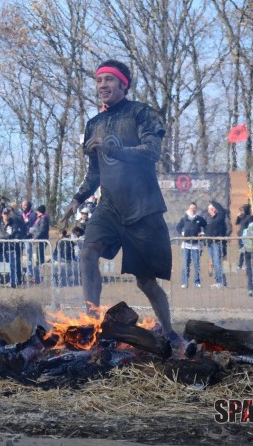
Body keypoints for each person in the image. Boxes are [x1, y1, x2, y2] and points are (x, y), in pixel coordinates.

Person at [65, 59, 176, 340]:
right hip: (110, 206)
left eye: (109, 80)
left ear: (123, 84)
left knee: (146, 281)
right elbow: (95, 173)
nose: (103, 85)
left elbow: (152, 151)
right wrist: (77, 199)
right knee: (88, 252)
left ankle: (171, 333)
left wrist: (114, 148)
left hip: (143, 206)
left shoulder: (141, 113)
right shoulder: (94, 125)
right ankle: (91, 320)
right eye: (99, 80)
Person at [176, 202, 206, 289]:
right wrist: (182, 233)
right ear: (189, 208)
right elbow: (178, 227)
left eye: (194, 208)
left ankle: (197, 281)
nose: (193, 209)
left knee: (196, 264)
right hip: (186, 244)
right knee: (186, 263)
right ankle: (184, 282)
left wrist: (203, 233)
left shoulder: (199, 218)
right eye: (191, 208)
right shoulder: (184, 218)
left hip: (196, 245)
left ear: (196, 209)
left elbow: (206, 225)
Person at [0, 206, 27, 287]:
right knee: (2, 266)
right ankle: (3, 281)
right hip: (1, 248)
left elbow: (16, 234)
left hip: (11, 248)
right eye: (4, 214)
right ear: (2, 214)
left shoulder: (13, 224)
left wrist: (8, 238)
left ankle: (13, 282)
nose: (5, 215)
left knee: (12, 265)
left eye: (7, 214)